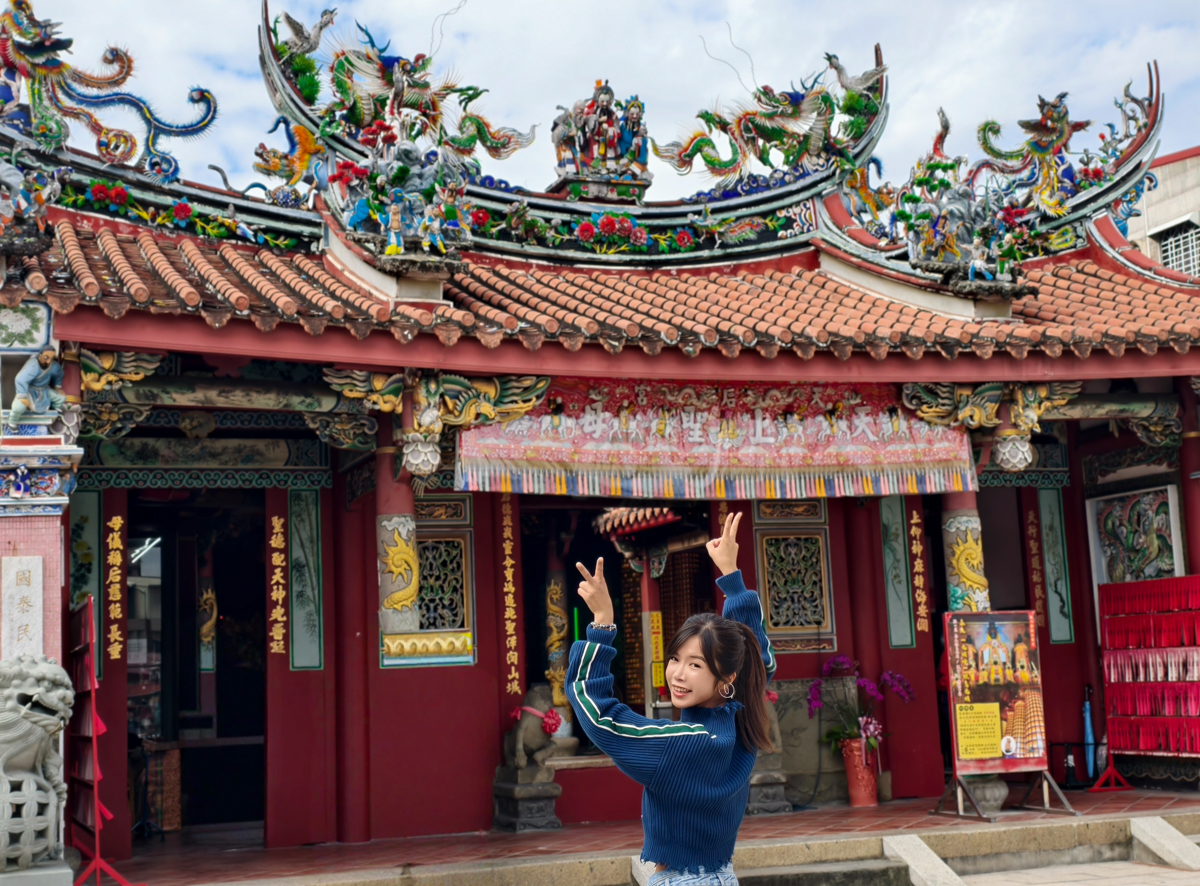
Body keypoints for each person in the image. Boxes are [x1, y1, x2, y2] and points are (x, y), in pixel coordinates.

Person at [567, 512, 775, 886]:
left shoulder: (681, 746)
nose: (678, 673)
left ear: (725, 677)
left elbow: (600, 716)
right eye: (675, 658)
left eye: (695, 665)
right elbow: (757, 659)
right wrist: (731, 578)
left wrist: (601, 623)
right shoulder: (741, 728)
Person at [6, 346, 64, 433]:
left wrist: (57, 387)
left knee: (61, 398)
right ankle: (12, 422)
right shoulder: (33, 365)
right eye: (46, 358)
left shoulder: (54, 366)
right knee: (19, 406)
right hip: (29, 391)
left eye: (51, 358)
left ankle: (57, 410)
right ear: (40, 355)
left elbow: (58, 374)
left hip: (44, 390)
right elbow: (20, 379)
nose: (48, 361)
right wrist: (22, 396)